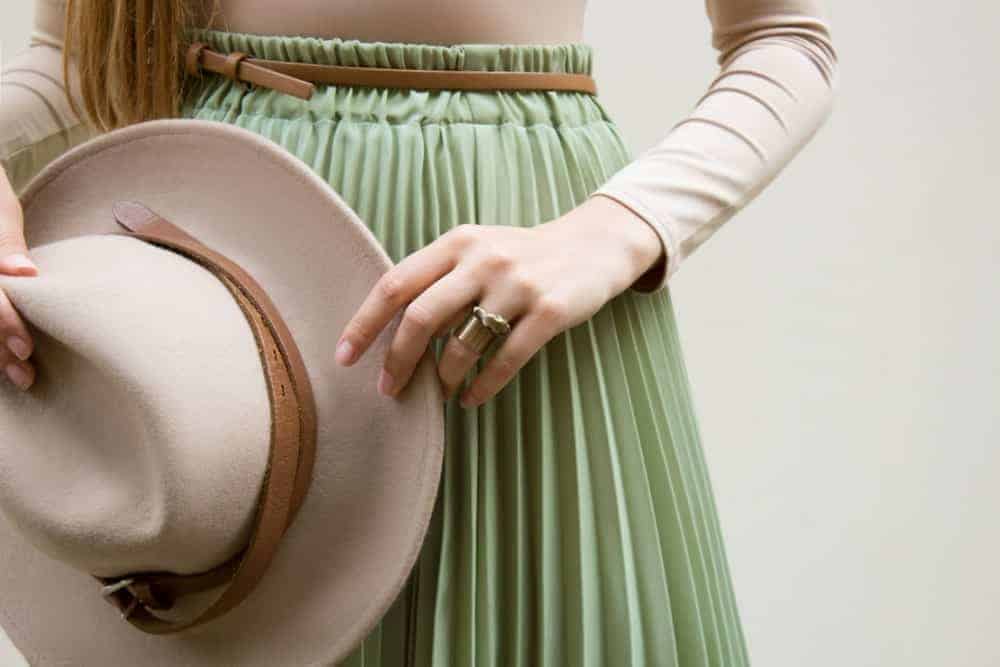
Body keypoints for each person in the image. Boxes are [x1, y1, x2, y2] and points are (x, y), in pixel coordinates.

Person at [0, 1, 838, 664]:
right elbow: (80, 62)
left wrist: (618, 228)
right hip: (233, 292)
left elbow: (785, 40)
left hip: (509, 299)